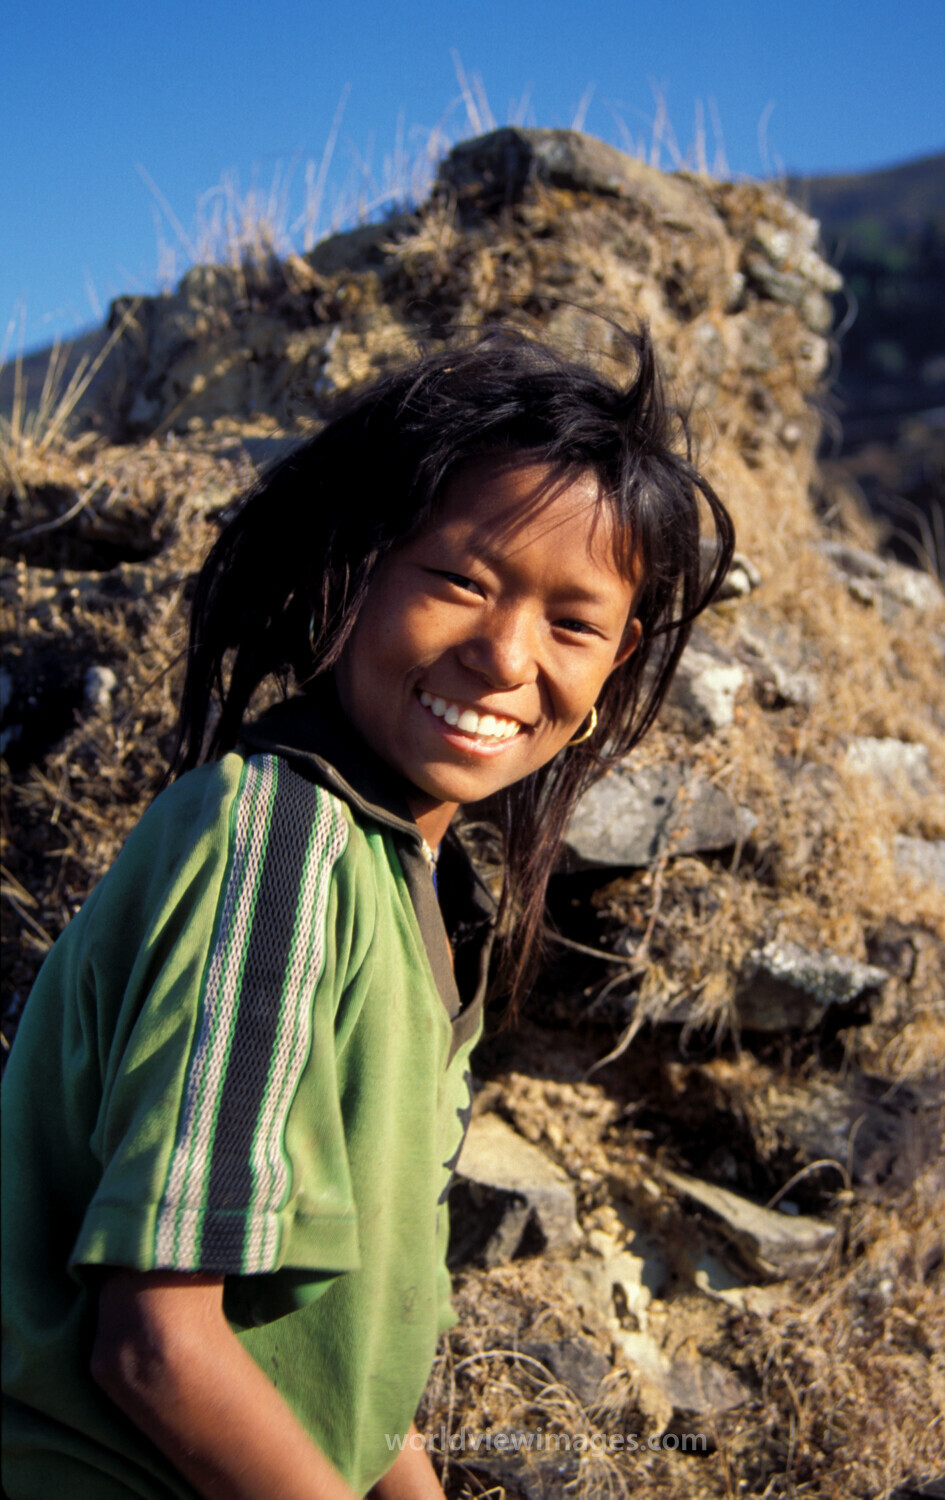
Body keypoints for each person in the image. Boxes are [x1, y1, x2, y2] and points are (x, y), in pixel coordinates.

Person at [1, 326, 734, 1499]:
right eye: (459, 580)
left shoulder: (402, 873)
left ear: (617, 661)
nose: (505, 655)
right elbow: (161, 1347)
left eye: (572, 623)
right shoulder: (277, 852)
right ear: (355, 566)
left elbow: (323, 1359)